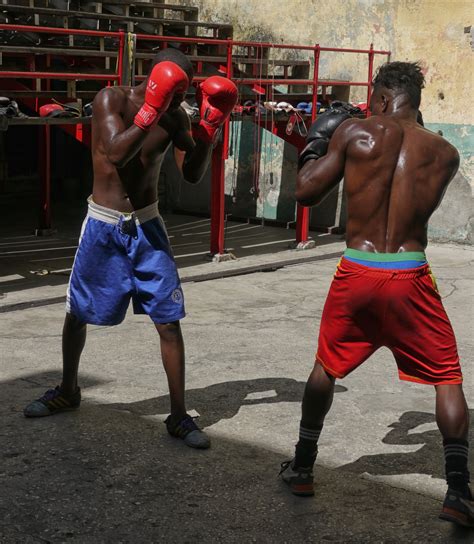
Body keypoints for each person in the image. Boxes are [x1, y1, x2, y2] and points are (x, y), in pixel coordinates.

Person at [280, 61, 473, 527]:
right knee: (447, 377)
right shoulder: (446, 153)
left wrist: (317, 143)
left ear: (383, 98)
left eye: (373, 99)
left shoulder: (355, 132)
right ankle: (459, 492)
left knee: (326, 366)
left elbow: (305, 192)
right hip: (410, 273)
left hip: (359, 270)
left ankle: (303, 466)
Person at [24, 48, 238, 450]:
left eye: (185, 91)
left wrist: (211, 128)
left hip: (147, 226)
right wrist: (151, 109)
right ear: (156, 78)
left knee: (169, 319)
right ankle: (69, 389)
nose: (180, 99)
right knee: (78, 312)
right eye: (175, 89)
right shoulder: (111, 100)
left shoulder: (176, 116)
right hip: (104, 224)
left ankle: (178, 415)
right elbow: (116, 153)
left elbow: (192, 174)